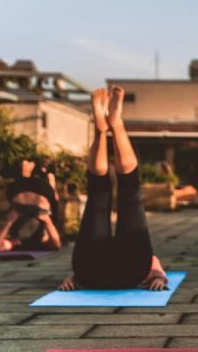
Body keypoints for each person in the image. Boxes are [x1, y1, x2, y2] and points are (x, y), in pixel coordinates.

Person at [58, 86, 167, 291]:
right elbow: (155, 265)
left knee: (129, 191)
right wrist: (159, 276)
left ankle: (111, 127)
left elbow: (153, 261)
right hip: (91, 270)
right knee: (98, 193)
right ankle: (109, 127)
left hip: (99, 273)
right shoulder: (87, 268)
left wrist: (74, 277)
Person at [0, 159, 62, 252]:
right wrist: (47, 221)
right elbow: (56, 245)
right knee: (52, 199)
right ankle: (32, 173)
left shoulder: (15, 242)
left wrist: (9, 222)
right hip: (33, 205)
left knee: (51, 198)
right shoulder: (41, 240)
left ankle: (29, 173)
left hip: (27, 205)